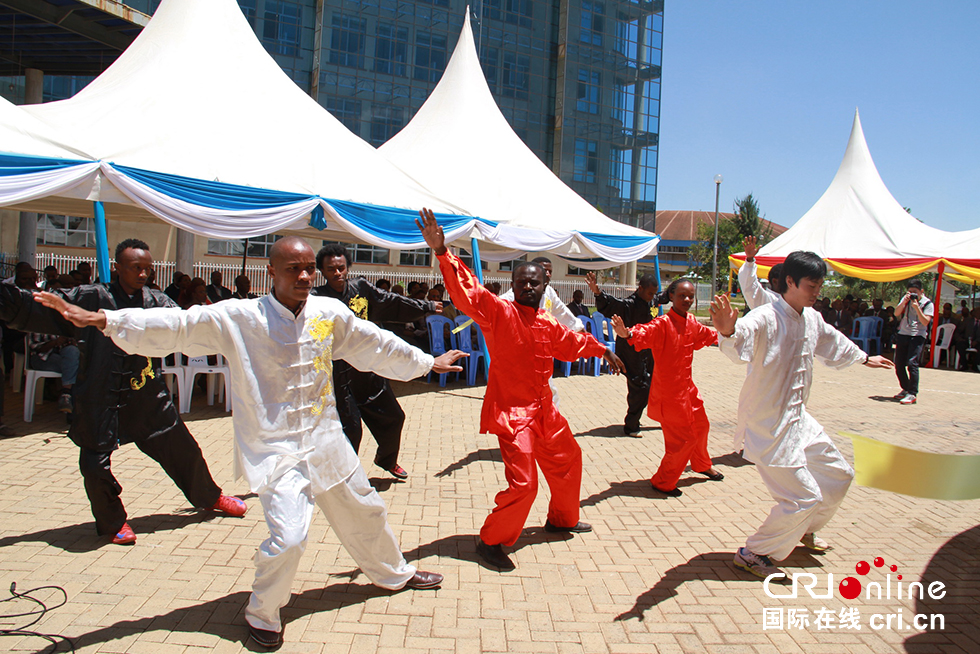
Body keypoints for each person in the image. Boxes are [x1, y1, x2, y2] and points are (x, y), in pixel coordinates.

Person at [37, 236, 464, 650]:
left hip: (326, 439)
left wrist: (427, 361)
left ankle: (393, 574)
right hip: (277, 449)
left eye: (308, 268)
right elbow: (179, 325)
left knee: (366, 510)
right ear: (271, 273)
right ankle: (262, 613)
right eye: (293, 269)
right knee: (290, 537)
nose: (304, 276)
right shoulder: (241, 318)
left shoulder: (328, 312)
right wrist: (105, 320)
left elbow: (372, 342)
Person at [417, 208, 625, 571]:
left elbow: (572, 343)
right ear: (514, 285)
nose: (528, 287)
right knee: (525, 484)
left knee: (568, 460)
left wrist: (603, 349)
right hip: (515, 415)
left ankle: (562, 518)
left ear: (545, 286)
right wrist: (442, 253)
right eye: (522, 282)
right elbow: (469, 292)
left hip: (546, 410)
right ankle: (490, 540)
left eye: (535, 283)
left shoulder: (546, 321)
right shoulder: (499, 313)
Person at [0, 239, 247, 546]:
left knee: (184, 449)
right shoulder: (91, 297)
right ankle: (113, 522)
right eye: (135, 268)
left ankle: (210, 496)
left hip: (146, 393)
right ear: (117, 267)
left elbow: (187, 324)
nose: (143, 274)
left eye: (147, 268)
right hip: (99, 394)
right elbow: (42, 305)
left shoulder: (157, 301)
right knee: (94, 465)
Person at [708, 251, 894, 579]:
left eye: (821, 284)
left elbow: (833, 342)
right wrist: (727, 332)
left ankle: (802, 528)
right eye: (812, 284)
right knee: (804, 497)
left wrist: (865, 358)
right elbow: (740, 341)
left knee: (839, 475)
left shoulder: (811, 318)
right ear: (790, 282)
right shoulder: (765, 317)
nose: (817, 290)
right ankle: (754, 552)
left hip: (799, 420)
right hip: (769, 426)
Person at [312, 243, 442, 480]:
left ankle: (387, 460)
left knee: (394, 417)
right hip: (337, 374)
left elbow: (390, 301)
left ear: (348, 267)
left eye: (341, 267)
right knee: (349, 428)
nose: (337, 273)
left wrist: (426, 306)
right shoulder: (316, 298)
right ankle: (345, 477)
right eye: (331, 269)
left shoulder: (360, 288)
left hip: (368, 369)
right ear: (322, 271)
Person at [612, 279, 723, 495]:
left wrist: (729, 331)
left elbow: (711, 336)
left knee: (701, 427)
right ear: (671, 297)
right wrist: (627, 334)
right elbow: (644, 332)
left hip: (688, 390)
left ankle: (701, 464)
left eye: (691, 296)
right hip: (670, 394)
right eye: (682, 295)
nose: (687, 300)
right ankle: (663, 481)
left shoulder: (691, 322)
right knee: (683, 441)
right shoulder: (663, 323)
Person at [586, 270, 657, 436]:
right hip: (630, 352)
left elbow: (666, 295)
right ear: (640, 288)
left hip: (646, 350)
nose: (651, 297)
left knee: (654, 382)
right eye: (649, 293)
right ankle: (631, 425)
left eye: (653, 294)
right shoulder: (629, 304)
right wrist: (597, 292)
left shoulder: (651, 302)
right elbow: (611, 303)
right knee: (640, 386)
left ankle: (656, 415)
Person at [893, 279, 933, 405]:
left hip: (917, 335)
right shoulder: (906, 299)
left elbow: (925, 321)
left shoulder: (927, 304)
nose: (912, 295)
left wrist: (917, 308)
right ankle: (906, 388)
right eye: (910, 292)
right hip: (903, 333)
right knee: (899, 364)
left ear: (921, 291)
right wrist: (904, 302)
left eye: (915, 292)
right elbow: (896, 313)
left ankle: (912, 393)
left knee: (912, 363)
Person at [28, 332, 79, 413]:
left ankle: (66, 395)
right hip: (42, 358)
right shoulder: (37, 322)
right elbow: (35, 347)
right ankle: (67, 397)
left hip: (62, 357)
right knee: (74, 366)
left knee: (73, 352)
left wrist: (71, 342)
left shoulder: (63, 324)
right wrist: (55, 342)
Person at [738, 236, 784, 310]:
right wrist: (750, 259)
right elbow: (749, 287)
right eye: (787, 279)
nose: (790, 283)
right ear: (775, 281)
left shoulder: (792, 302)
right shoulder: (766, 300)